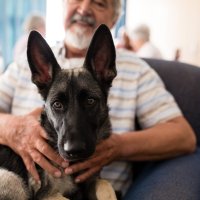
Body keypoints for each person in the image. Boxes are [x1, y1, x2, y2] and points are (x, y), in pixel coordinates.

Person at [0, 0, 199, 199]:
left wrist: (118, 146)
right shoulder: (24, 65)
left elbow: (184, 137)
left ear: (115, 19)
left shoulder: (137, 70)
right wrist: (12, 128)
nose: (84, 8)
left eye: (99, 3)